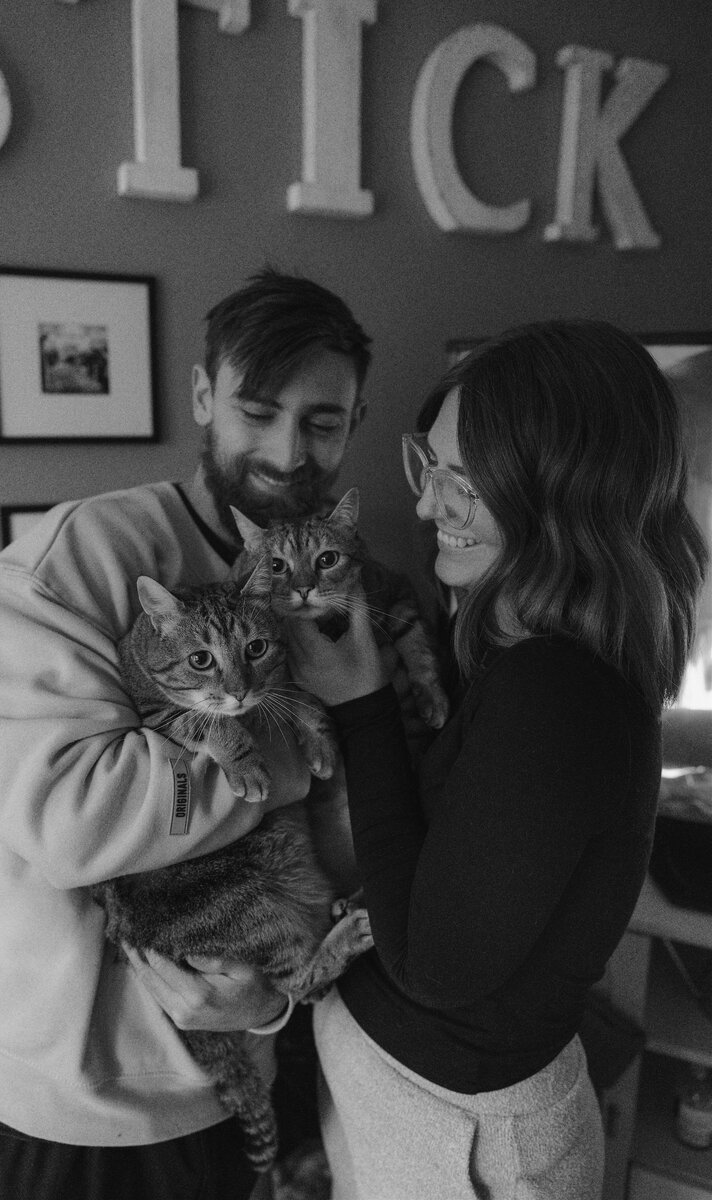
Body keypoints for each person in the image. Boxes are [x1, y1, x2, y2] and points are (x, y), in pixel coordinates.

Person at [0, 268, 371, 1200]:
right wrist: (307, 731)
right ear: (202, 396)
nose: (288, 451)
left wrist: (273, 1004)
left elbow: (342, 845)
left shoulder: (335, 586)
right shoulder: (69, 567)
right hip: (63, 1104)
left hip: (231, 1074)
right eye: (258, 410)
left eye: (323, 423)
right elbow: (76, 819)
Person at [286, 319, 708, 1200]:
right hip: (422, 1117)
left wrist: (364, 709)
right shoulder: (523, 648)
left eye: (465, 482)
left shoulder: (557, 687)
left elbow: (435, 966)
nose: (429, 505)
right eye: (429, 467)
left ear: (568, 494)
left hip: (462, 1145)